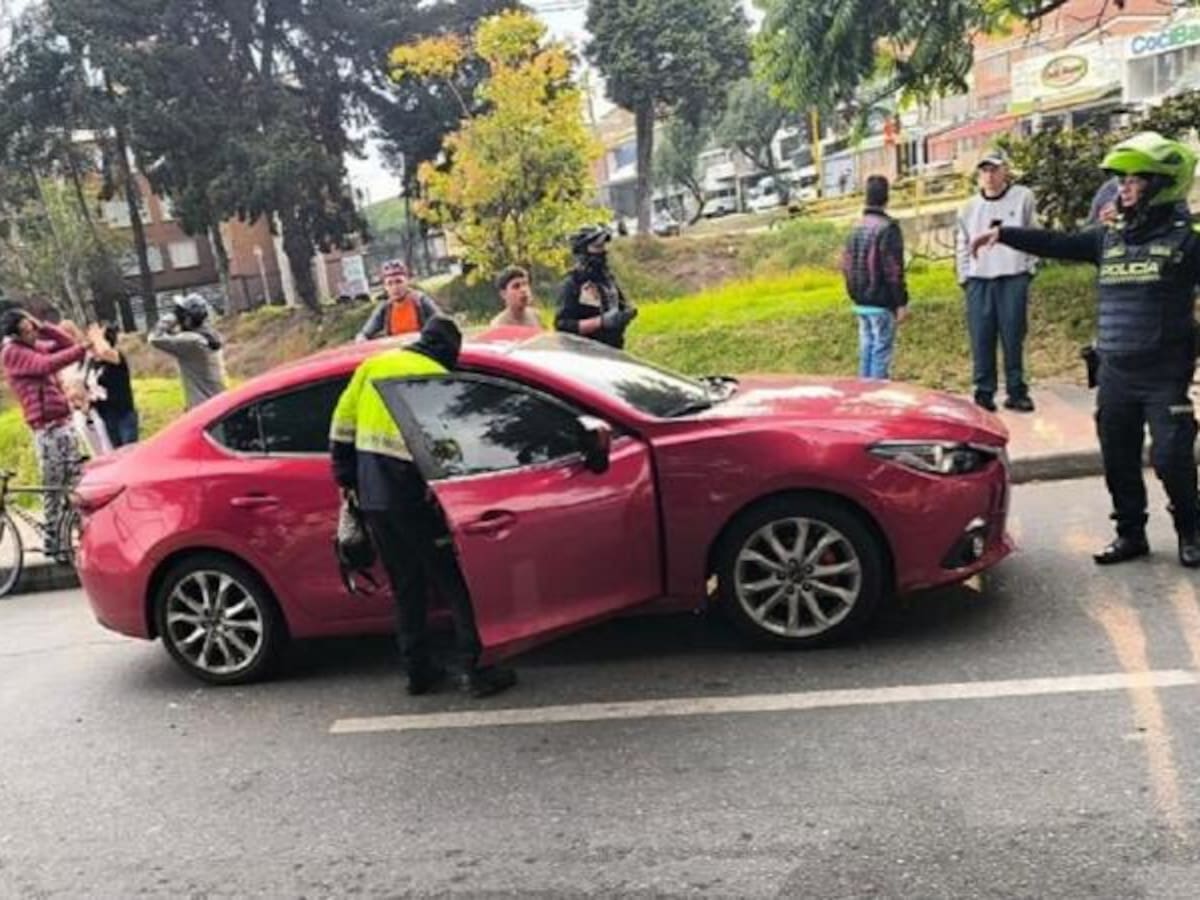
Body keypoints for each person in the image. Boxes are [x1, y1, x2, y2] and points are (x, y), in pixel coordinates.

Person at [969, 131, 1200, 568]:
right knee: (1117, 456)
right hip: (1115, 372)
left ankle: (1191, 530)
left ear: (1160, 185)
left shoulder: (1187, 241)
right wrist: (1003, 234)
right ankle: (1130, 534)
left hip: (1164, 373)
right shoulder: (1108, 238)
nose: (1122, 188)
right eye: (1122, 181)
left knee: (1171, 457)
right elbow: (1057, 242)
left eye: (1134, 181)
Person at [329, 316, 517, 699]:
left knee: (407, 587)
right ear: (449, 351)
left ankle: (417, 671)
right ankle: (477, 669)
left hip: (374, 497)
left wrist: (349, 480)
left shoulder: (375, 364)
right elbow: (450, 446)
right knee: (453, 582)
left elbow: (340, 428)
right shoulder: (436, 377)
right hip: (414, 497)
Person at [0, 309, 93, 560]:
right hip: (47, 429)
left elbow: (65, 344)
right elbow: (47, 364)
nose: (32, 334)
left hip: (62, 424)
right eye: (27, 330)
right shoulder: (13, 353)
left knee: (75, 483)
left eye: (32, 329)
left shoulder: (32, 345)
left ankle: (75, 536)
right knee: (53, 487)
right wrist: (82, 349)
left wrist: (43, 326)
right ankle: (54, 544)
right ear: (15, 334)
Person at [956, 149, 1039, 413]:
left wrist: (1028, 269)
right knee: (982, 337)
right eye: (984, 171)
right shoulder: (969, 208)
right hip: (980, 280)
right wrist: (965, 276)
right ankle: (984, 391)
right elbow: (962, 243)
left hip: (1013, 276)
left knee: (1013, 335)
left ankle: (1016, 390)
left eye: (994, 170)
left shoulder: (1022, 197)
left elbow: (1033, 233)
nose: (989, 176)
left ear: (1005, 171)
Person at [841, 175, 909, 379]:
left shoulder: (855, 227)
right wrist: (901, 302)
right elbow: (893, 270)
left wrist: (853, 294)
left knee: (867, 349)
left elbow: (846, 265)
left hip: (861, 301)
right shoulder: (888, 228)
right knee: (881, 352)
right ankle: (878, 398)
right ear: (887, 197)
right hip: (881, 302)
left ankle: (864, 396)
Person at [555, 224, 637, 349]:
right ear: (583, 251)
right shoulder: (573, 283)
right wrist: (601, 322)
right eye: (597, 247)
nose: (603, 251)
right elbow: (562, 325)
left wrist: (625, 314)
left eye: (603, 246)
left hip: (615, 349)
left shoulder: (607, 279)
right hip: (588, 355)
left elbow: (620, 305)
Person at [148, 293, 226, 411]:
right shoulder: (208, 336)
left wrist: (172, 317)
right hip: (215, 403)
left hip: (203, 408)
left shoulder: (192, 342)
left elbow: (154, 338)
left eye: (181, 314)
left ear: (188, 318)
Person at [355, 260, 442, 343]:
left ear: (407, 281)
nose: (395, 287)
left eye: (399, 282)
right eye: (390, 283)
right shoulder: (385, 308)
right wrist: (362, 337)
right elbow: (366, 332)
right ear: (385, 287)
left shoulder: (420, 301)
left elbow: (443, 324)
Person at [85, 323, 139, 447]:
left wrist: (96, 335)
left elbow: (105, 351)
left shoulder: (116, 357)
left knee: (128, 451)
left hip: (123, 414)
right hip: (106, 415)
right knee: (116, 453)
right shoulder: (93, 362)